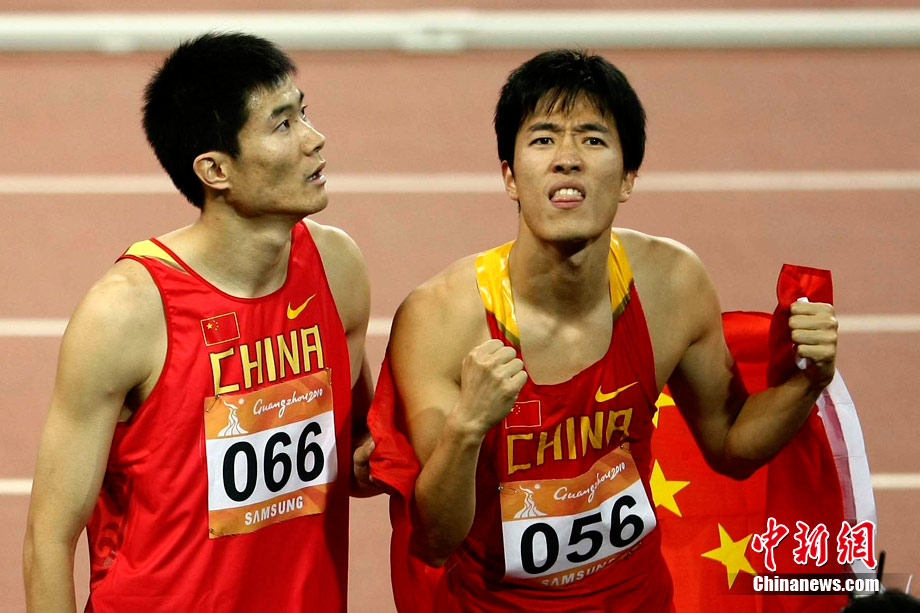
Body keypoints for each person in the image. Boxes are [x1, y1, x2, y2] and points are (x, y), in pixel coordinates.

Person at [383, 49, 838, 611]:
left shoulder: (672, 285)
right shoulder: (442, 318)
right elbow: (434, 539)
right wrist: (467, 428)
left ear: (626, 179)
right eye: (543, 139)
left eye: (593, 140)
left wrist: (806, 380)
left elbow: (731, 445)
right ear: (510, 177)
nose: (567, 159)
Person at [23, 32, 376, 612]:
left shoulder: (337, 268)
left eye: (304, 113)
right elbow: (48, 539)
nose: (315, 139)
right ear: (215, 170)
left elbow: (357, 453)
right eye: (282, 125)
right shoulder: (127, 313)